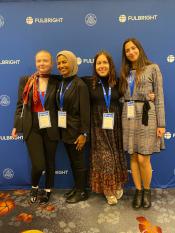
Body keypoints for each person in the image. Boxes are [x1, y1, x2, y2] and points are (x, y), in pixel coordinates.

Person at [119, 38, 165, 209]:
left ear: (139, 48)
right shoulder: (125, 73)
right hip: (129, 115)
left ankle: (147, 190)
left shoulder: (153, 68)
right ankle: (138, 191)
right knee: (132, 156)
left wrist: (162, 124)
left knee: (143, 158)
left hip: (147, 115)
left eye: (133, 48)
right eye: (127, 50)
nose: (131, 52)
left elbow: (159, 98)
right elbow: (122, 96)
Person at [11, 50, 60, 204]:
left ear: (51, 64)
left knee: (50, 161)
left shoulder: (58, 81)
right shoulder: (26, 81)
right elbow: (21, 105)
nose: (42, 63)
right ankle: (34, 186)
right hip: (32, 127)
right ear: (35, 62)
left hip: (51, 127)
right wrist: (16, 126)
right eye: (39, 61)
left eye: (45, 60)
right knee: (38, 164)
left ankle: (48, 189)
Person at [83, 50, 128, 205]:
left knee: (115, 155)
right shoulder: (89, 82)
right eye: (98, 63)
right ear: (95, 66)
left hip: (116, 127)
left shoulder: (118, 82)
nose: (102, 66)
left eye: (105, 62)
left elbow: (131, 97)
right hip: (98, 127)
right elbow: (68, 80)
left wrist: (150, 96)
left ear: (110, 65)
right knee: (105, 157)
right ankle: (108, 190)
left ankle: (116, 184)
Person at [56, 50, 90, 204]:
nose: (61, 65)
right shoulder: (61, 82)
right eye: (59, 63)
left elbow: (85, 111)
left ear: (72, 63)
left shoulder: (80, 85)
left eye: (64, 62)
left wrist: (84, 133)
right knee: (72, 161)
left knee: (78, 162)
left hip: (76, 131)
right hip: (64, 129)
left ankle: (82, 192)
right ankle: (77, 187)